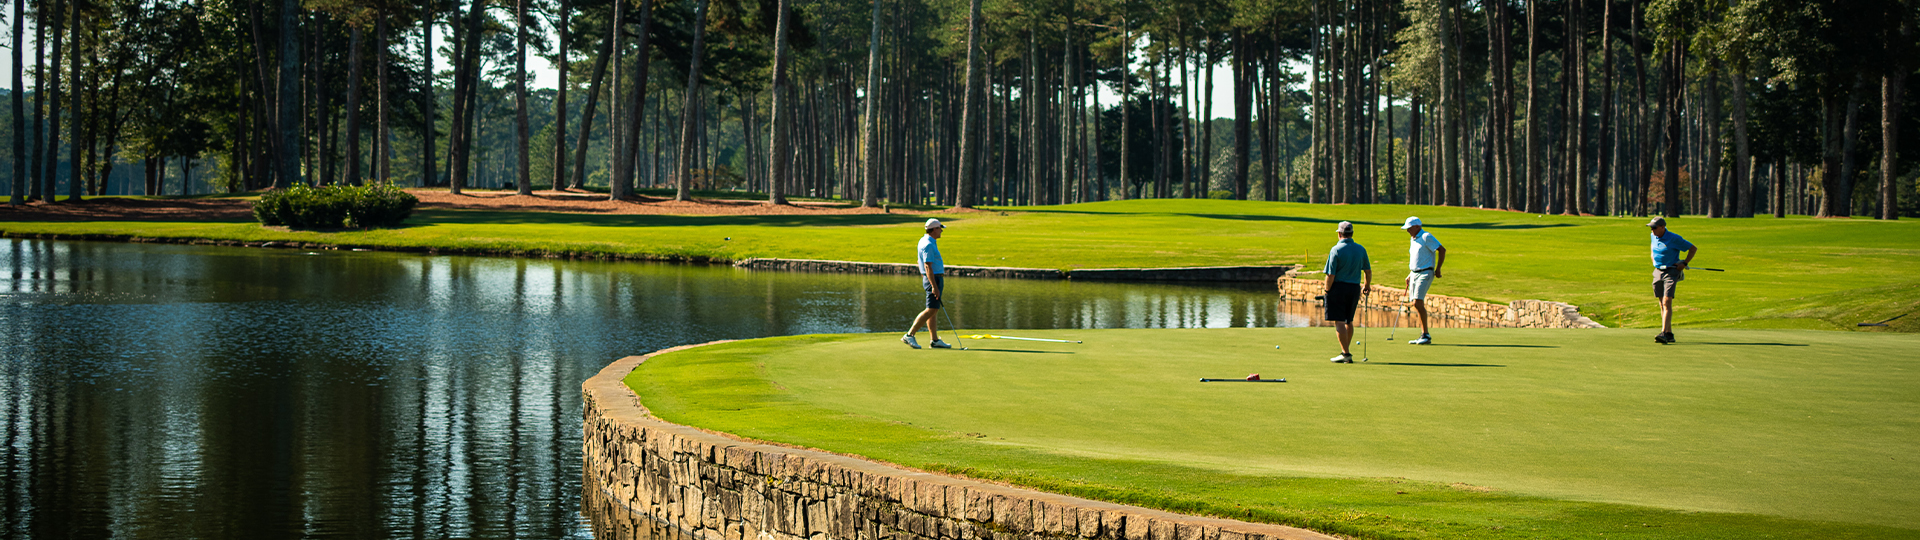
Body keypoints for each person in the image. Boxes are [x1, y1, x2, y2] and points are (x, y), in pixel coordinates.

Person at [1322, 221, 1372, 363]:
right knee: (1348, 321)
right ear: (1352, 234)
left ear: (1339, 234)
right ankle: (1345, 351)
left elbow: (1330, 275)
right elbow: (1367, 271)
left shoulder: (1336, 250)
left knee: (1339, 321)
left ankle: (1345, 353)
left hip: (1338, 288)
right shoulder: (1360, 249)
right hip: (1354, 288)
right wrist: (1367, 285)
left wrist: (1327, 290)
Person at [903, 218, 952, 349]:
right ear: (934, 229)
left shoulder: (929, 241)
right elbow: (928, 267)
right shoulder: (928, 244)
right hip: (933, 279)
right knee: (932, 309)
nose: (941, 231)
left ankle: (934, 340)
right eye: (940, 228)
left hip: (935, 278)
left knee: (933, 310)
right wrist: (934, 287)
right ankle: (910, 334)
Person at [1647, 217, 1697, 344]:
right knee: (1661, 302)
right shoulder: (1653, 236)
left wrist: (1684, 263)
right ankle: (1669, 333)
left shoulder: (1674, 238)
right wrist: (1654, 261)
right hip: (1658, 271)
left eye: (1654, 227)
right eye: (1651, 228)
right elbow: (1652, 250)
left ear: (1663, 227)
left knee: (1667, 301)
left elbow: (1692, 249)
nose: (1652, 230)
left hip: (1671, 271)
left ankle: (1663, 333)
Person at [1400, 216, 1446, 345]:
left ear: (1416, 227)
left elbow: (1442, 250)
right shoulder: (1413, 238)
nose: (1408, 231)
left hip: (1426, 272)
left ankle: (1425, 334)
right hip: (1415, 273)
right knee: (1415, 303)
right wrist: (1410, 274)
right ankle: (1423, 334)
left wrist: (1438, 269)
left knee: (1417, 302)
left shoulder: (1426, 236)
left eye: (1409, 228)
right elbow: (1417, 257)